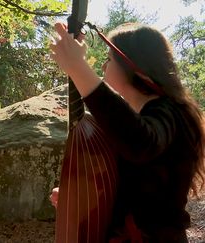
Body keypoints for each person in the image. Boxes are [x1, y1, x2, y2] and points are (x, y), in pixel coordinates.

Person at [49, 22, 205, 242]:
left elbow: (141, 143)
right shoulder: (148, 115)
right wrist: (82, 198)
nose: (103, 66)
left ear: (134, 66)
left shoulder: (170, 112)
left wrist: (78, 68)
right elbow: (132, 187)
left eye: (109, 59)